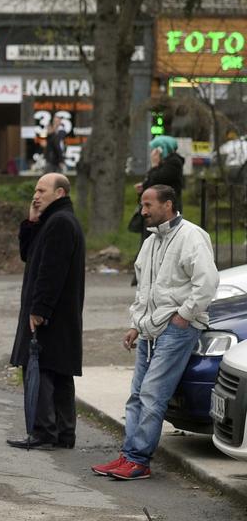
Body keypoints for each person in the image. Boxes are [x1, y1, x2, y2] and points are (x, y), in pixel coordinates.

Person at [93, 185, 218, 480]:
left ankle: (138, 460)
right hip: (150, 330)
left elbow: (207, 283)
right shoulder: (151, 241)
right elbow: (145, 290)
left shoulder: (191, 236)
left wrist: (183, 316)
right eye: (141, 205)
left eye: (148, 204)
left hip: (177, 330)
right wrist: (136, 324)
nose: (143, 210)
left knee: (152, 394)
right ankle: (128, 456)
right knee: (137, 394)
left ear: (168, 205)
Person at [7, 174, 86, 451]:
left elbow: (51, 270)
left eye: (42, 191)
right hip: (60, 313)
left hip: (52, 312)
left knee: (41, 369)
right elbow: (29, 254)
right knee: (58, 370)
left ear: (60, 193)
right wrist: (31, 221)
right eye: (35, 190)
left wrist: (40, 309)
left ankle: (44, 431)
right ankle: (64, 433)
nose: (35, 196)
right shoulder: (53, 220)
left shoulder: (61, 223)